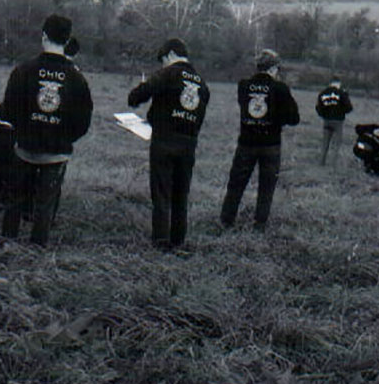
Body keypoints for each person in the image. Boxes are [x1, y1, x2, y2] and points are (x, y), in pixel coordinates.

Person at [0, 14, 93, 246]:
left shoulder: (23, 71)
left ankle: (8, 241)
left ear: (43, 36)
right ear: (68, 39)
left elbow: (7, 110)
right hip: (57, 152)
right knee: (45, 203)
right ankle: (38, 246)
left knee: (16, 198)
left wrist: (23, 130)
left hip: (25, 149)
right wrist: (64, 137)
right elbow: (83, 120)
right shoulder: (77, 79)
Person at [128, 37, 210, 250]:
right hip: (189, 143)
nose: (163, 64)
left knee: (162, 192)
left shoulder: (168, 73)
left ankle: (161, 241)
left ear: (171, 55)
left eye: (163, 60)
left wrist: (139, 91)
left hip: (164, 140)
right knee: (181, 194)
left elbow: (136, 97)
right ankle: (178, 239)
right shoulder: (202, 83)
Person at [220, 49, 299, 230]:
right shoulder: (280, 88)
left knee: (236, 184)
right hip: (270, 144)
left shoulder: (244, 85)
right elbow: (294, 119)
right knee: (266, 186)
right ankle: (260, 223)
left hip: (246, 142)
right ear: (273, 68)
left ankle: (226, 220)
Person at [316, 76, 353, 168]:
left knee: (325, 144)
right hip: (338, 121)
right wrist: (341, 112)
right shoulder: (342, 93)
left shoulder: (323, 93)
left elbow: (318, 108)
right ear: (338, 83)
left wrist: (324, 115)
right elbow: (349, 108)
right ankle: (333, 165)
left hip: (326, 121)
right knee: (336, 145)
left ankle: (321, 163)